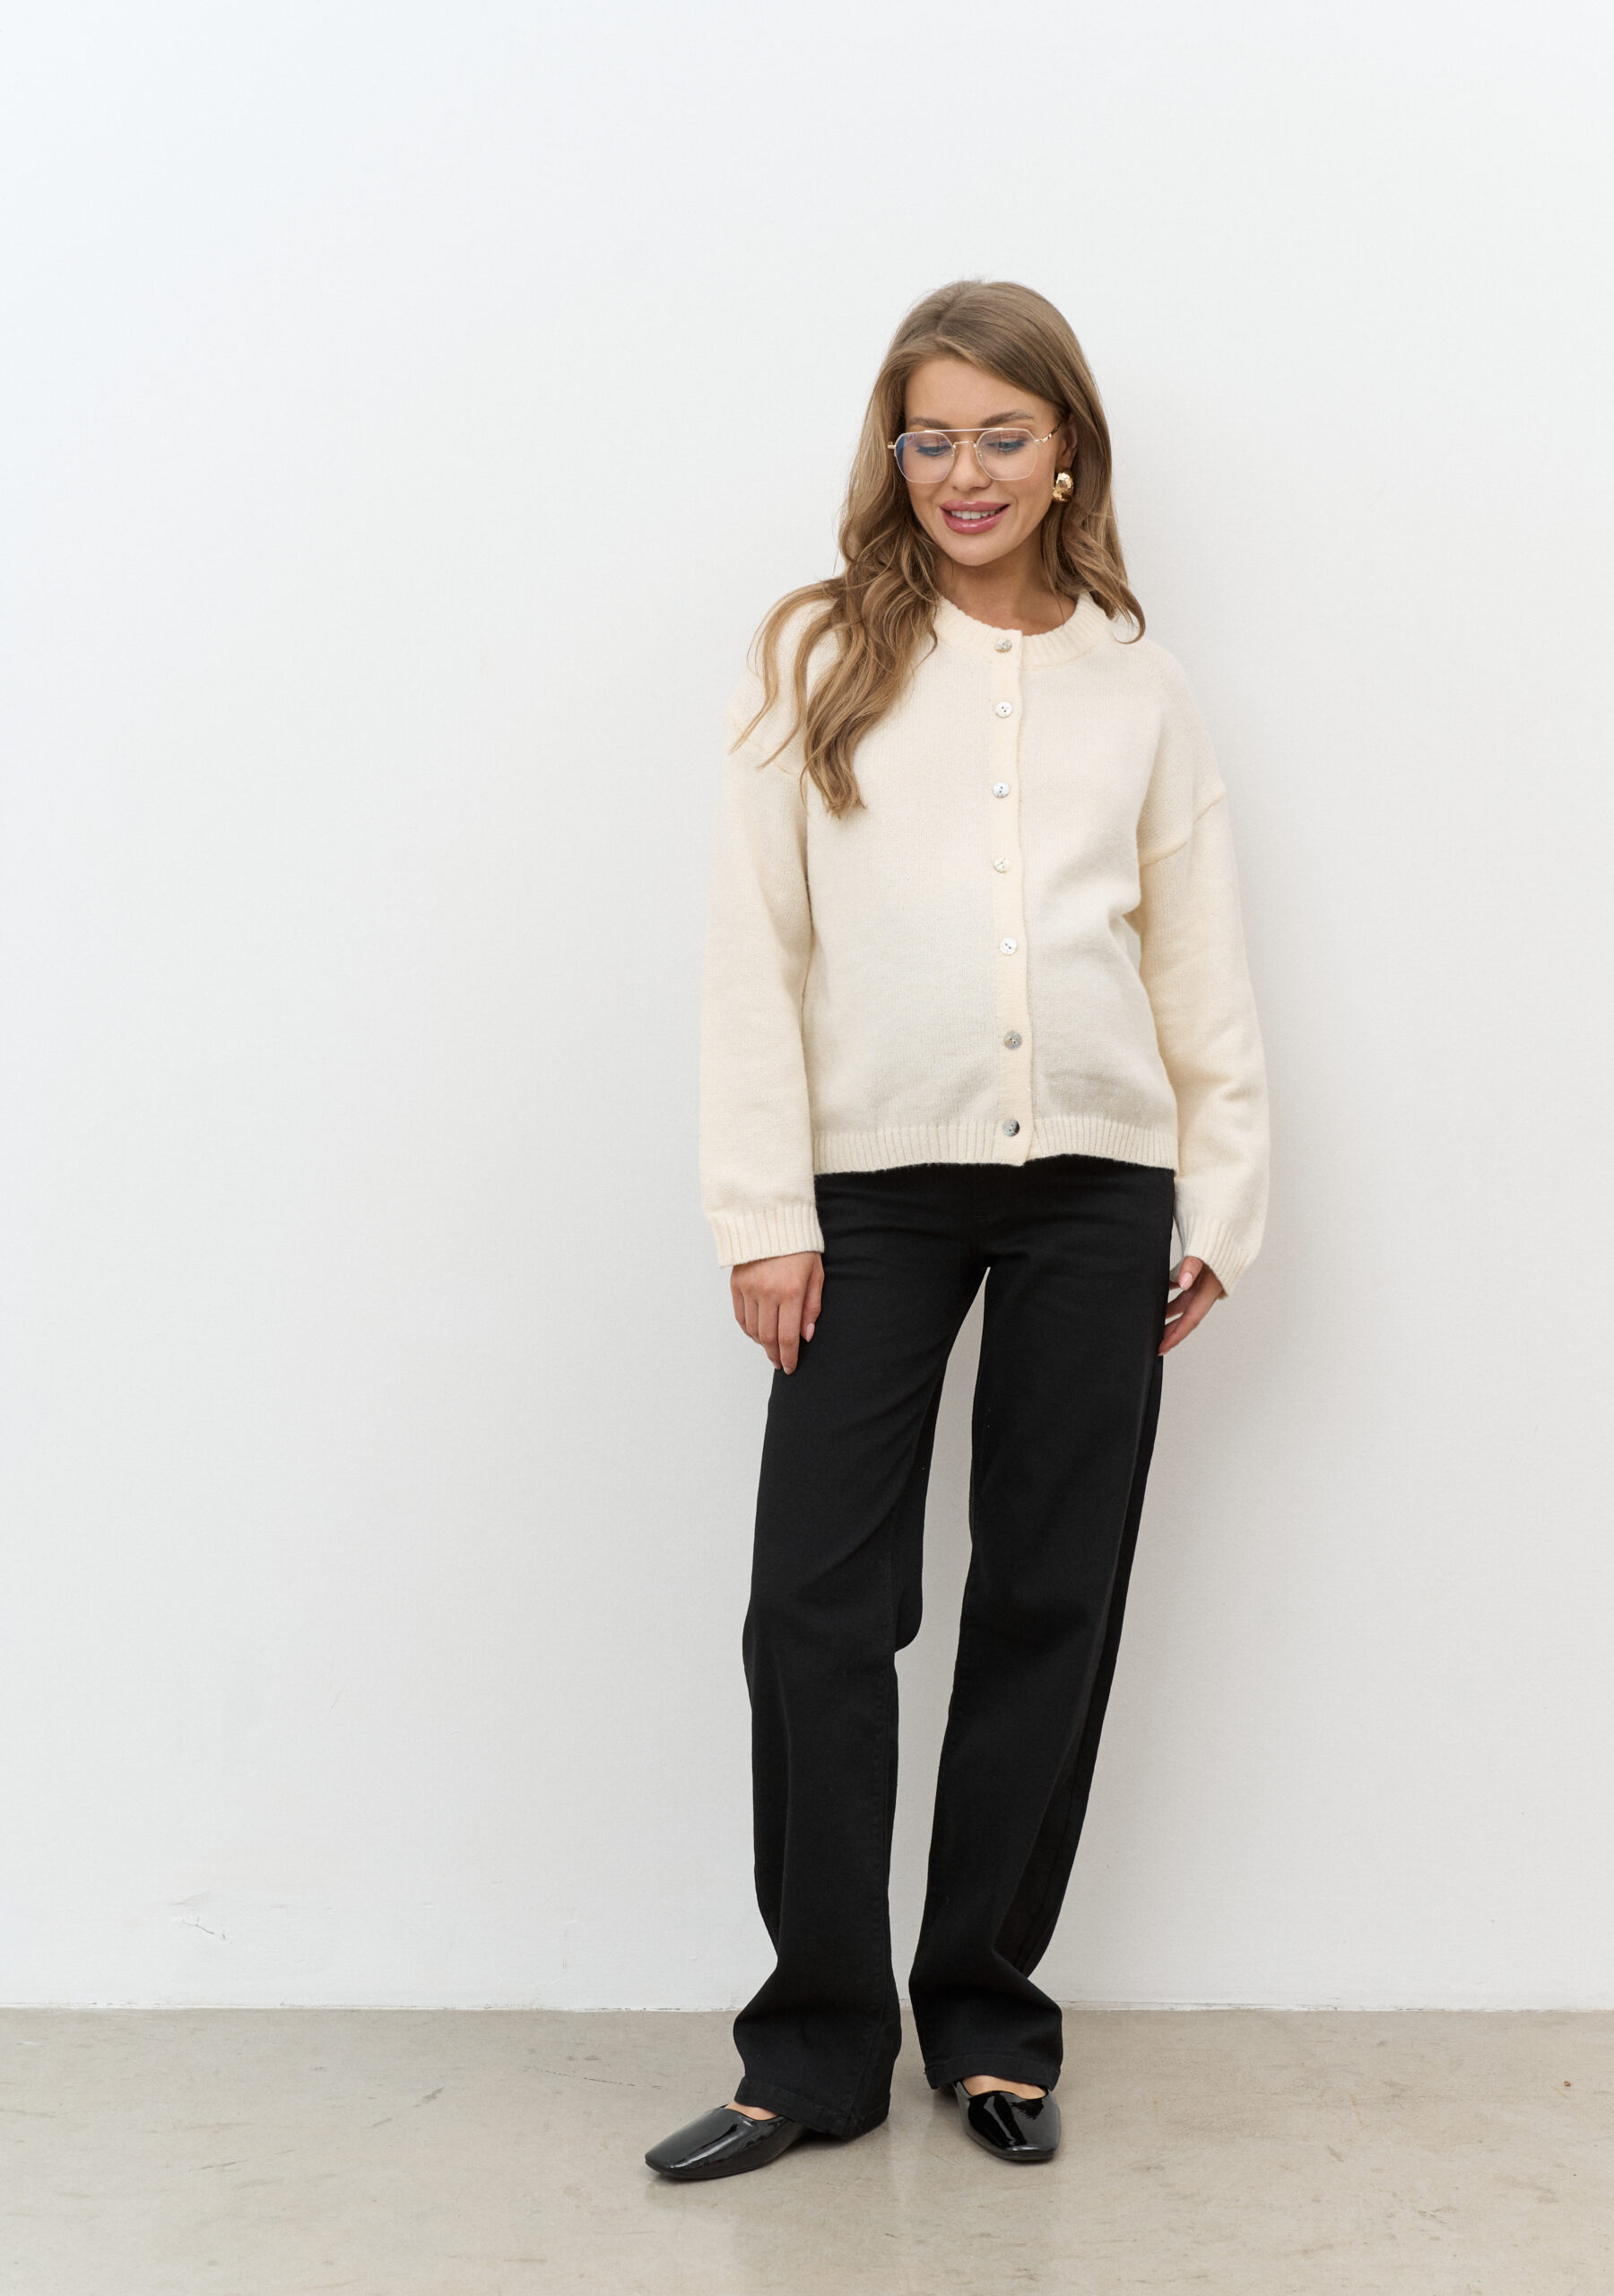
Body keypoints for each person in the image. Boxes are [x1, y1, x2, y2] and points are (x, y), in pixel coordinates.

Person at [645, 279, 1269, 2181]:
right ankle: (815, 2047)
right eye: (931, 437)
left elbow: (1196, 958)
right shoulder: (819, 650)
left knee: (1048, 1598)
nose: (965, 472)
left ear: (1065, 450)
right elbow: (753, 950)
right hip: (871, 1190)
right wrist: (764, 1210)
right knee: (817, 1608)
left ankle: (987, 2020)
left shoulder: (1138, 685)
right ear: (893, 449)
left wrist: (1220, 1194)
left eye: (1003, 435)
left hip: (1099, 1183)